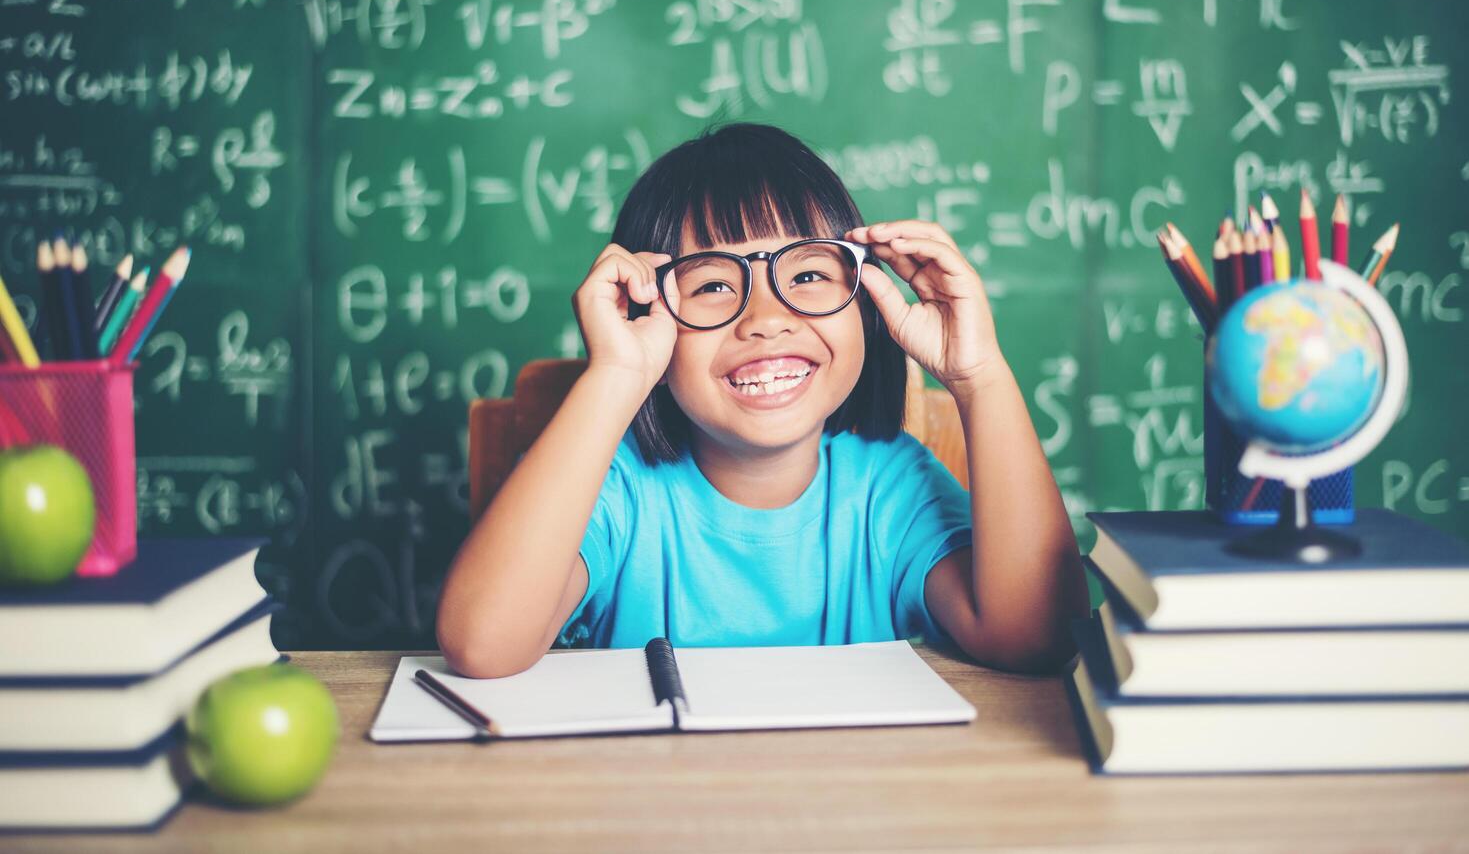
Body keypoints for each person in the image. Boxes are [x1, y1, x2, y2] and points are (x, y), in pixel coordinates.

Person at [437, 122, 1090, 678]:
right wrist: (615, 376)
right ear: (648, 317)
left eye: (806, 274)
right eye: (713, 286)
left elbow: (1036, 638)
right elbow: (481, 643)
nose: (765, 318)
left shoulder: (891, 488)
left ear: (863, 306)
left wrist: (979, 376)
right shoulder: (618, 492)